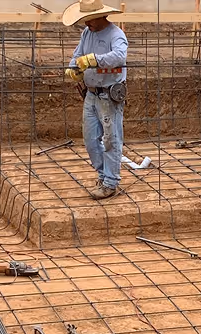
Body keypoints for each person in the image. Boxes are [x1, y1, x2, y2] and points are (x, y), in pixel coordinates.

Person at [63, 0, 128, 200]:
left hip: (109, 95)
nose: (86, 24)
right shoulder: (87, 33)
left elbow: (119, 56)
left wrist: (94, 60)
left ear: (101, 16)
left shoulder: (116, 34)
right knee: (91, 140)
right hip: (91, 94)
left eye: (88, 20)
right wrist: (74, 69)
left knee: (110, 139)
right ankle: (103, 175)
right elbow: (77, 56)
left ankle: (110, 183)